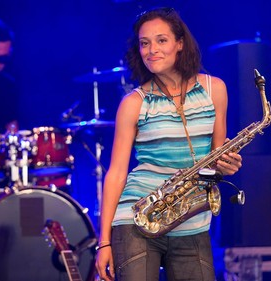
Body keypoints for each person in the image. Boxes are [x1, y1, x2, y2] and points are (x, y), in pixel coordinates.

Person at [95, 7, 243, 281]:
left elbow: (215, 161)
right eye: (144, 43)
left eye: (161, 40)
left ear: (180, 43)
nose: (152, 50)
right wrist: (103, 241)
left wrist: (227, 165)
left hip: (192, 222)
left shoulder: (215, 90)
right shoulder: (133, 103)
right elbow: (116, 173)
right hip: (137, 216)